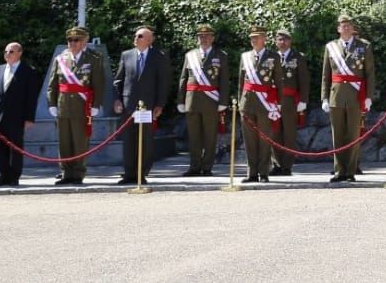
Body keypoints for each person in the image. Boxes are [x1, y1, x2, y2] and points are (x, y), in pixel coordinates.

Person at [43, 26, 105, 185]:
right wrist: (52, 103)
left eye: (76, 40)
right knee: (64, 142)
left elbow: (98, 84)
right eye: (70, 40)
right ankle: (65, 173)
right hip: (63, 105)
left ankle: (78, 173)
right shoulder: (60, 58)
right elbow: (52, 84)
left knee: (80, 141)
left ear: (84, 41)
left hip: (82, 106)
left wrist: (96, 105)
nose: (72, 43)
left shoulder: (94, 58)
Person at [112, 25, 171, 185]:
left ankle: (141, 173)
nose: (136, 38)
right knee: (129, 140)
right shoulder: (126, 55)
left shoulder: (159, 56)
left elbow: (163, 83)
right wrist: (117, 99)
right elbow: (118, 80)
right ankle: (129, 173)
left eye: (140, 36)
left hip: (148, 106)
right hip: (128, 105)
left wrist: (160, 104)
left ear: (150, 40)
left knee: (145, 141)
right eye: (136, 35)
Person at [321, 14, 375, 183]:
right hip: (336, 96)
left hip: (355, 96)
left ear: (353, 29)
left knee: (353, 135)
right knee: (337, 136)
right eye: (343, 26)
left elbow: (369, 74)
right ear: (338, 29)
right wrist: (324, 98)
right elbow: (326, 75)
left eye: (348, 25)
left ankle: (350, 171)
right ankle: (339, 171)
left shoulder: (364, 47)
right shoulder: (330, 47)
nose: (346, 28)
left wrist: (369, 96)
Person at [176, 23, 230, 177]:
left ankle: (207, 167)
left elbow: (224, 81)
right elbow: (183, 79)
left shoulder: (221, 56)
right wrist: (180, 101)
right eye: (201, 36)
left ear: (212, 38)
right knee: (193, 137)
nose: (204, 39)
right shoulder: (190, 55)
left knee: (210, 136)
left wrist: (223, 102)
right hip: (192, 101)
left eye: (207, 36)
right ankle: (194, 167)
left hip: (211, 101)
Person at [0, 42, 40, 187]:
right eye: (6, 51)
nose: (7, 54)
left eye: (11, 51)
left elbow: (31, 97)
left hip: (17, 117)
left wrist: (29, 118)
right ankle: (3, 176)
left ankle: (14, 176)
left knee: (15, 148)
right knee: (0, 148)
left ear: (20, 53)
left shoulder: (29, 71)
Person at [239, 24, 285, 183]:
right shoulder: (245, 56)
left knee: (265, 139)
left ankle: (264, 172)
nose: (253, 40)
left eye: (257, 37)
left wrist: (279, 104)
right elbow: (241, 82)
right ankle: (251, 173)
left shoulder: (274, 57)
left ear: (264, 38)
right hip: (247, 103)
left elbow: (278, 82)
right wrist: (240, 102)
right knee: (249, 140)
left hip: (266, 103)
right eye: (252, 38)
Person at [272, 30, 307, 176]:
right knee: (274, 133)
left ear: (290, 41)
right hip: (273, 100)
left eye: (285, 39)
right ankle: (276, 164)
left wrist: (303, 100)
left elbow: (304, 80)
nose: (282, 42)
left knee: (289, 134)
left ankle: (286, 166)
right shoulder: (270, 57)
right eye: (280, 39)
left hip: (290, 101)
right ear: (275, 42)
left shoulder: (298, 57)